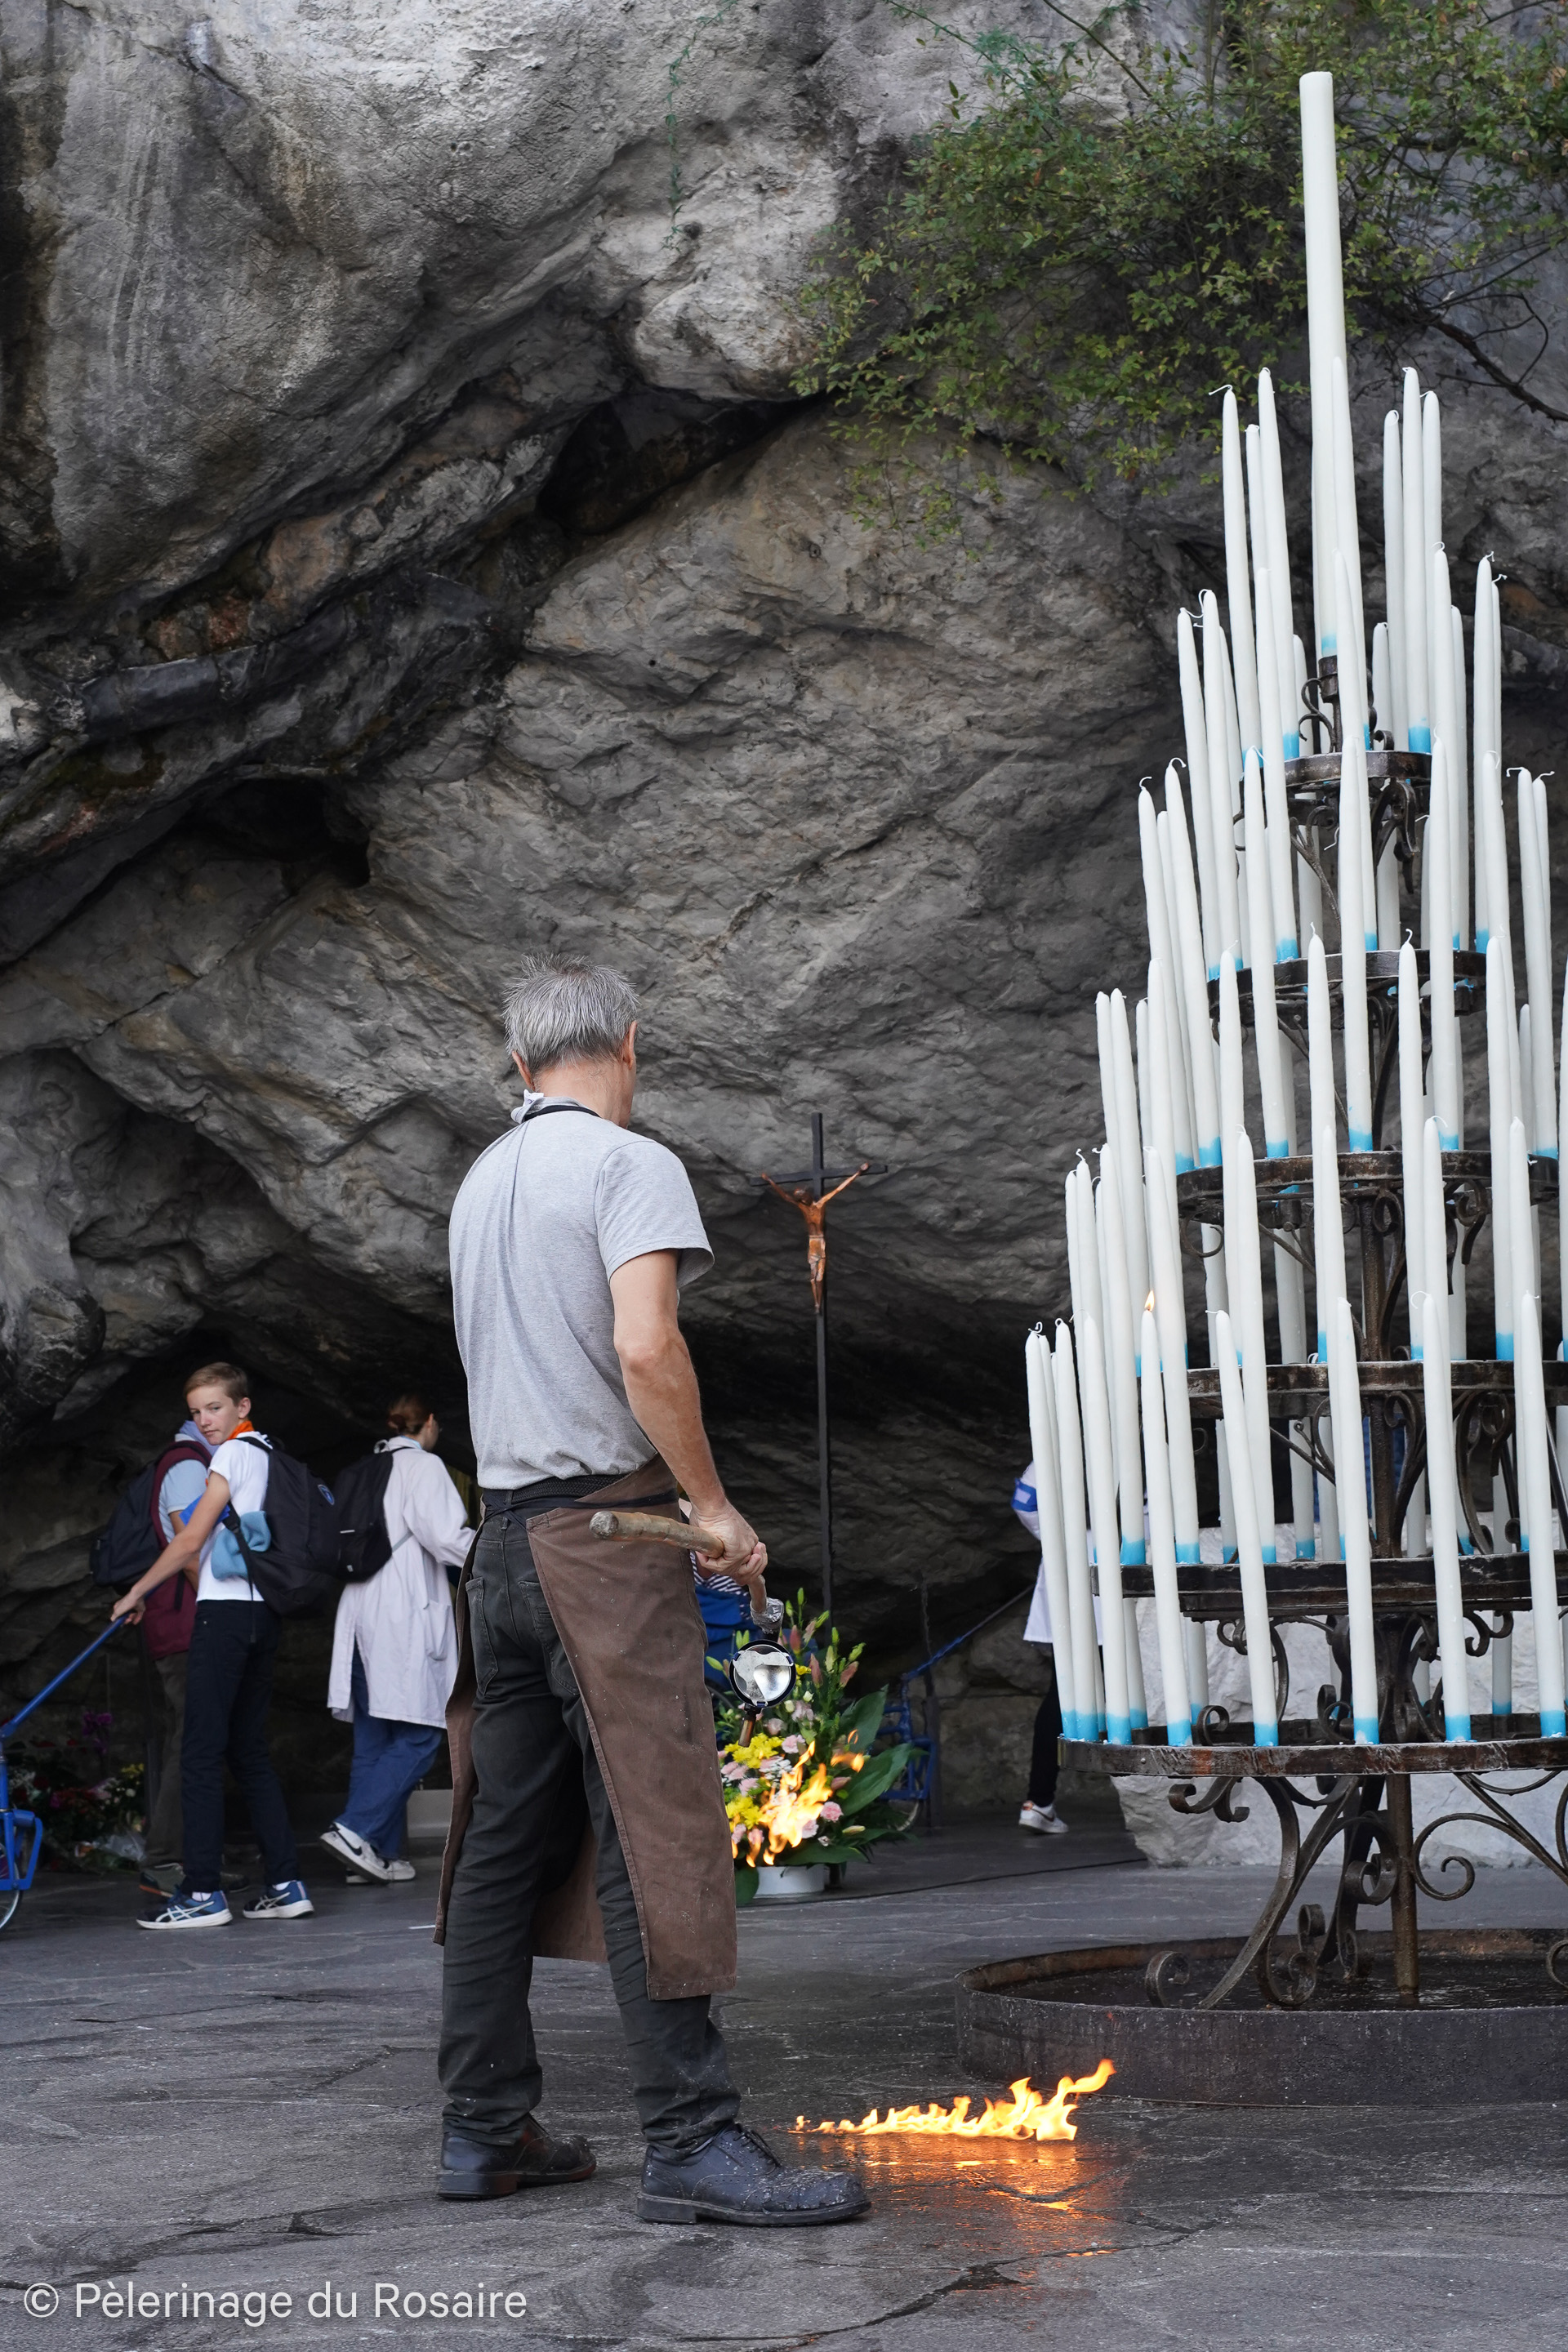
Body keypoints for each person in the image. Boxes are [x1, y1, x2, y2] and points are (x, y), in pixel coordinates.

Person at [438, 956, 867, 2228]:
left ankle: (481, 2131)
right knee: (655, 1833)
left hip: (499, 1546)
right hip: (606, 1544)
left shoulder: (481, 1178)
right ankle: (691, 2140)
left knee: (500, 1843)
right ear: (628, 1044)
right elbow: (643, 1344)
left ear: (521, 1064)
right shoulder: (629, 1164)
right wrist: (711, 1508)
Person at [110, 1364, 314, 1927]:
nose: (204, 1420)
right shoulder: (269, 1454)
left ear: (242, 1407)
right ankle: (286, 1883)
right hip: (263, 1613)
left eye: (215, 1407)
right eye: (196, 1411)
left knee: (200, 1753)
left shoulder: (229, 1456)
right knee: (248, 1751)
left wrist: (136, 1592)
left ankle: (201, 1892)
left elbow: (191, 1541)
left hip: (223, 1613)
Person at [320, 1393, 470, 1884]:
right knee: (422, 1734)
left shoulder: (363, 1469)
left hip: (358, 1611)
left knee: (374, 1739)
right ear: (430, 1423)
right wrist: (495, 1552)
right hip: (402, 1611)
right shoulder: (424, 1466)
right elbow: (445, 1537)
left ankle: (374, 1855)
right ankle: (354, 1830)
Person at [137, 1416, 213, 1897]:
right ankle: (165, 1861)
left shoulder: (192, 1462)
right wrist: (223, 1609)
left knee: (195, 1740)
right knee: (191, 1742)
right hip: (187, 1624)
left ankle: (195, 1860)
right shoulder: (188, 1467)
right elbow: (189, 1553)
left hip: (181, 1622)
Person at [1012, 1460, 1071, 1836]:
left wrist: (1055, 1535)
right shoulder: (1144, 1444)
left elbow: (1024, 1501)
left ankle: (1039, 1801)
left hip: (1067, 1573)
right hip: (1122, 1572)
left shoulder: (1059, 1441)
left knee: (1064, 1694)